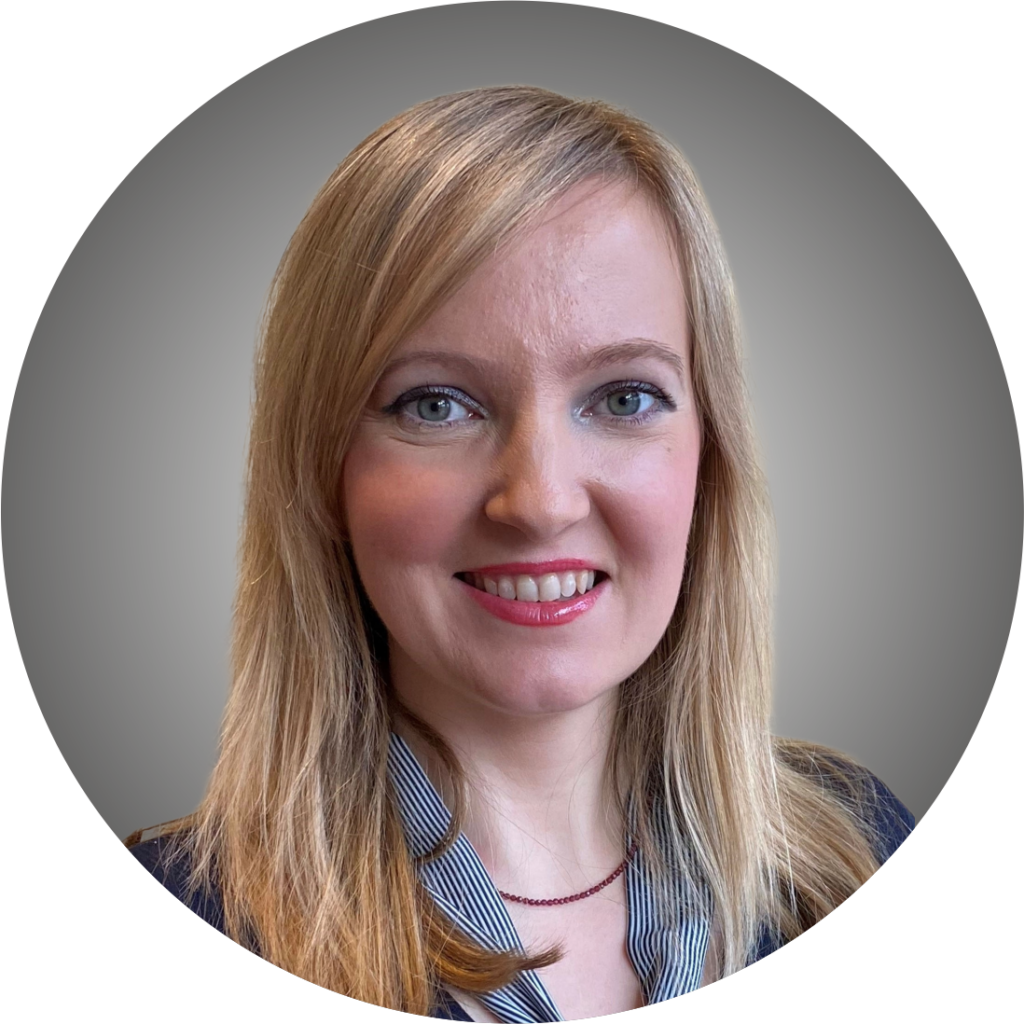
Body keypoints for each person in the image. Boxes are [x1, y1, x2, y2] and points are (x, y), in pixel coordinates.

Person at [125, 85, 913, 1020]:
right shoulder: (192, 905)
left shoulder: (858, 850)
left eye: (623, 398)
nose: (539, 502)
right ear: (321, 473)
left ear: (710, 457)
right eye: (435, 405)